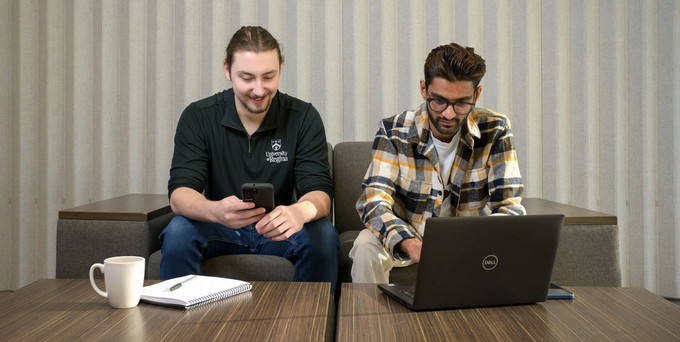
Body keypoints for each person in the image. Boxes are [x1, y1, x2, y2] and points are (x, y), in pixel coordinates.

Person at [160, 26, 339, 292]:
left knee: (323, 234)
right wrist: (216, 211)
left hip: (280, 230)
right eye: (247, 78)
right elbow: (180, 193)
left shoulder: (303, 116)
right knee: (177, 232)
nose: (258, 90)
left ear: (280, 69)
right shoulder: (198, 116)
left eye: (269, 77)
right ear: (227, 71)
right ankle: (180, 331)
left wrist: (298, 212)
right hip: (219, 227)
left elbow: (320, 192)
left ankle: (310, 328)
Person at [351, 42, 526, 283]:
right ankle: (369, 321)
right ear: (424, 89)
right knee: (364, 245)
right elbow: (373, 199)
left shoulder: (496, 129)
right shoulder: (394, 130)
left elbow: (509, 205)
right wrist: (408, 242)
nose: (449, 114)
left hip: (472, 241)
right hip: (408, 236)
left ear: (477, 94)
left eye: (462, 103)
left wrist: (481, 242)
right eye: (439, 101)